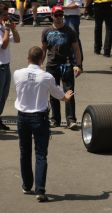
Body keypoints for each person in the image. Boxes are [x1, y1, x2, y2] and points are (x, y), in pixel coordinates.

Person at [14, 46, 74, 202]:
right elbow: (58, 94)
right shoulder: (46, 76)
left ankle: (27, 185)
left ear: (28, 58)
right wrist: (66, 96)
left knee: (24, 152)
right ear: (42, 59)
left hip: (22, 117)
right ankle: (40, 190)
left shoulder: (17, 74)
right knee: (41, 154)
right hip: (39, 118)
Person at [41, 5, 82, 130]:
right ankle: (55, 119)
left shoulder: (70, 31)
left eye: (60, 15)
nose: (59, 17)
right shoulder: (46, 31)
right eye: (56, 15)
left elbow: (76, 49)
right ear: (52, 16)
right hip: (51, 65)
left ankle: (71, 120)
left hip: (67, 65)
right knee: (53, 93)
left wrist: (78, 65)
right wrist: (38, 65)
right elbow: (43, 50)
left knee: (69, 91)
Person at [0, 3, 20, 131]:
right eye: (5, 15)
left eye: (8, 14)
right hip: (0, 66)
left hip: (6, 65)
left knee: (4, 95)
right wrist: (7, 30)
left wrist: (13, 28)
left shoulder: (4, 27)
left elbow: (17, 40)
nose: (7, 17)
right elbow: (4, 45)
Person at [63, 0, 84, 68]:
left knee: (75, 40)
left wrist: (65, 7)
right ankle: (72, 62)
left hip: (73, 17)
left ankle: (78, 63)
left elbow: (77, 4)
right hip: (66, 16)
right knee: (68, 40)